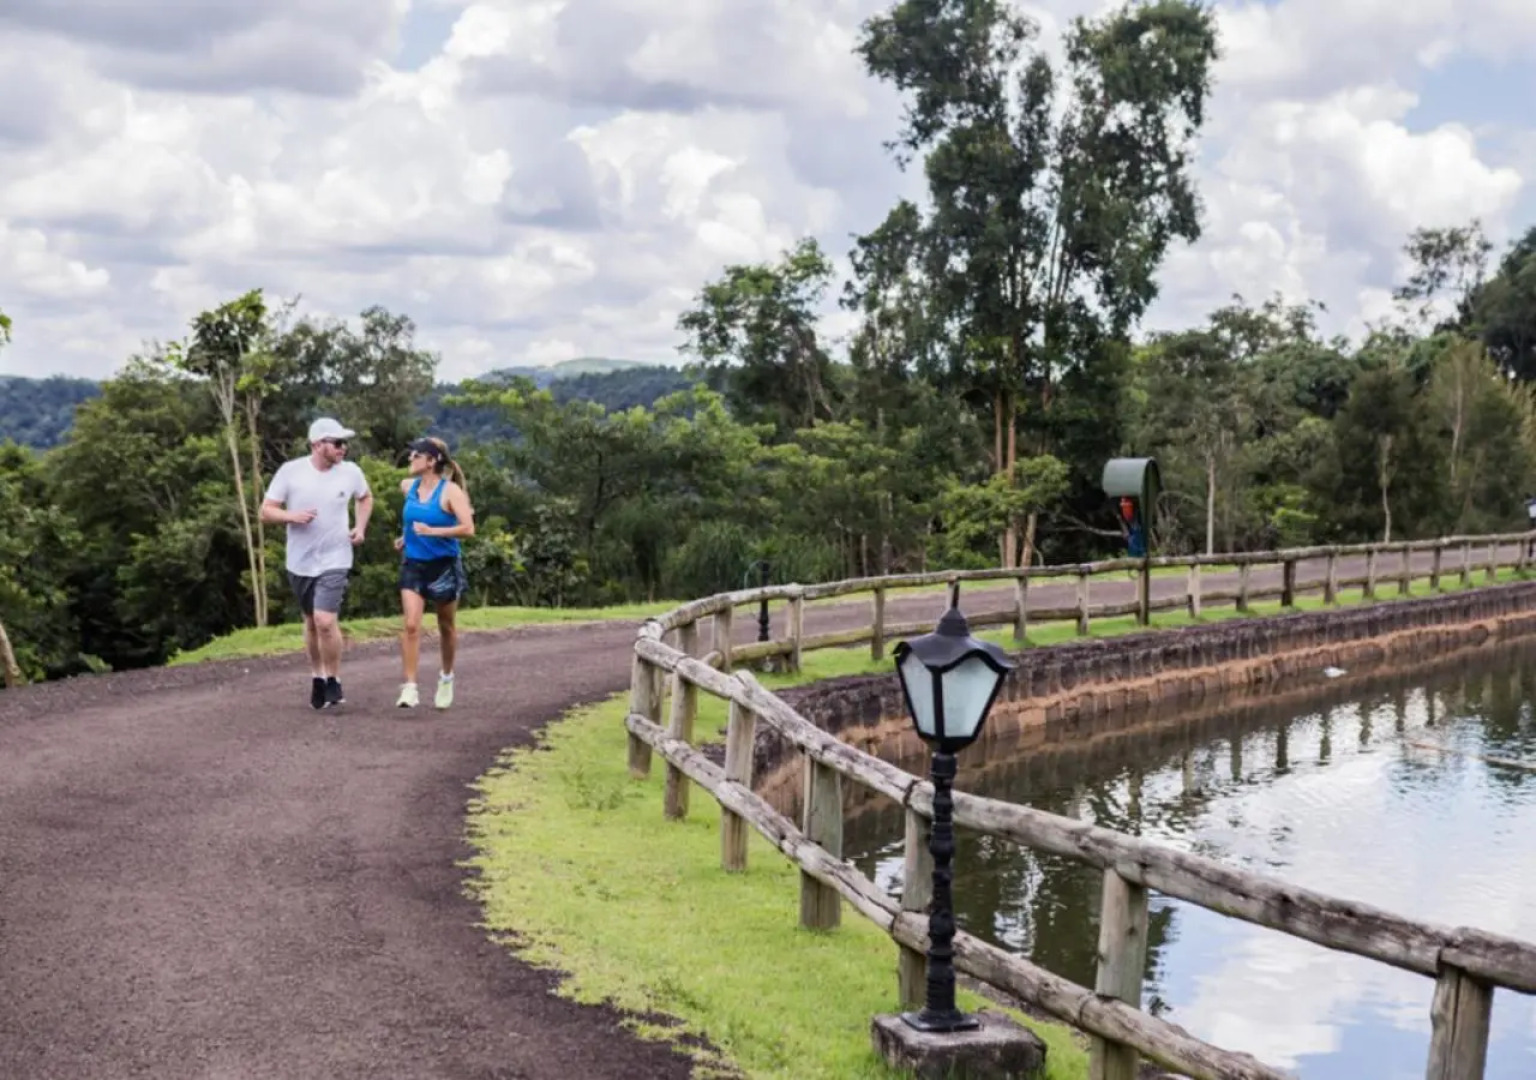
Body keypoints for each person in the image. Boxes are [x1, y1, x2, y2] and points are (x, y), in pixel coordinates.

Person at [260, 418, 373, 710]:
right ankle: (317, 677)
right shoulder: (291, 472)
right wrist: (291, 516)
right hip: (300, 561)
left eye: (344, 443)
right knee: (311, 622)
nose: (343, 448)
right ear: (317, 445)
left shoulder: (351, 472)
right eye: (337, 443)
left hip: (336, 557)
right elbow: (266, 511)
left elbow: (365, 498)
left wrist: (360, 528)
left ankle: (334, 678)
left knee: (325, 620)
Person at [394, 436, 475, 710]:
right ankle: (410, 687)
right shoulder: (408, 487)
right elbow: (411, 521)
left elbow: (468, 529)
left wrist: (434, 532)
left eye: (415, 455)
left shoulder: (450, 492)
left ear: (431, 461)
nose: (409, 459)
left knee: (446, 626)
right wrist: (405, 538)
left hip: (444, 565)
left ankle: (446, 677)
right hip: (413, 564)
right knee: (411, 624)